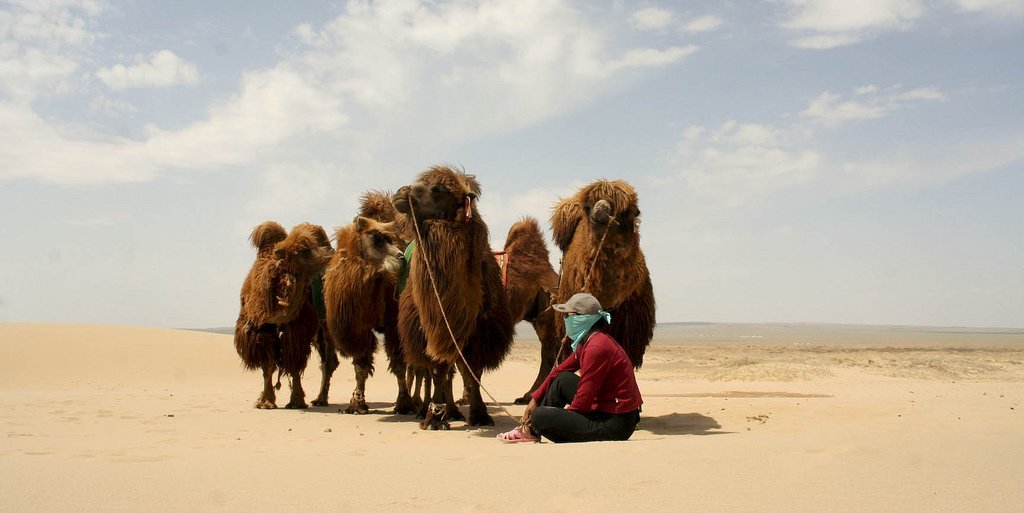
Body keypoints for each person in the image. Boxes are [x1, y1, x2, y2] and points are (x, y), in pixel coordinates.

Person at [497, 292, 643, 443]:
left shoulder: (596, 348)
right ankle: (530, 429)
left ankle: (533, 427)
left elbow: (583, 401)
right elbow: (559, 371)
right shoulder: (587, 342)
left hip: (616, 423)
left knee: (540, 416)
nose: (565, 320)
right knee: (562, 380)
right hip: (606, 408)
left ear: (582, 318)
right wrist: (535, 398)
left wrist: (558, 418)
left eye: (568, 316)